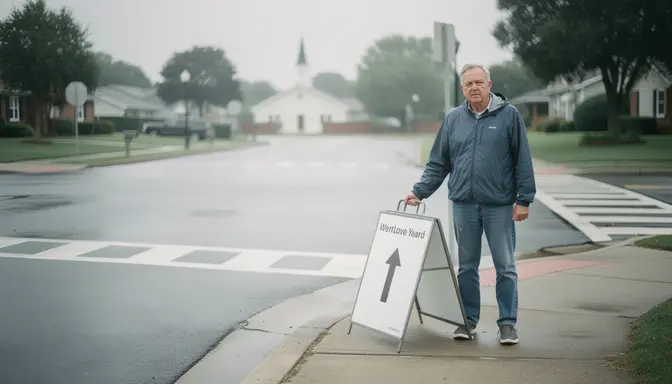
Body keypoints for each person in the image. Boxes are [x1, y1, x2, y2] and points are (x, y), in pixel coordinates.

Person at [403, 63, 536, 345]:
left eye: (478, 82)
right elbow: (439, 162)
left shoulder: (509, 116)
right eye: (468, 84)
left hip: (499, 205)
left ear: (489, 84)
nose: (473, 88)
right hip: (463, 204)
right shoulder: (453, 119)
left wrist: (523, 200)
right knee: (466, 267)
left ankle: (507, 323)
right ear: (462, 88)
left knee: (505, 266)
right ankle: (468, 320)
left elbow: (522, 160)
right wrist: (419, 192)